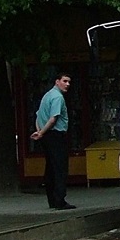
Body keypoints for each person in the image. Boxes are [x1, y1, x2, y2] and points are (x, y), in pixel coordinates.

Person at [30, 73, 74, 210]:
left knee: (50, 167)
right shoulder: (57, 97)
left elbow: (38, 115)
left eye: (69, 82)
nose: (67, 84)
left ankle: (52, 200)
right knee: (60, 168)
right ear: (57, 81)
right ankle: (60, 200)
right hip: (56, 135)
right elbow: (54, 118)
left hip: (47, 136)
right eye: (65, 81)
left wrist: (39, 132)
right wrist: (42, 132)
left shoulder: (47, 95)